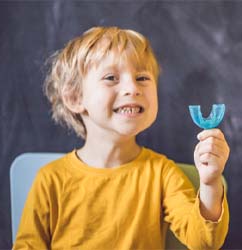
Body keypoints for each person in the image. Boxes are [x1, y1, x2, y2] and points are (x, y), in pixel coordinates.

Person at [13, 26, 230, 249]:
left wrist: (210, 182)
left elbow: (204, 242)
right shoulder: (50, 180)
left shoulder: (163, 174)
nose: (132, 87)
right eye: (111, 77)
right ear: (75, 98)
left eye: (142, 77)